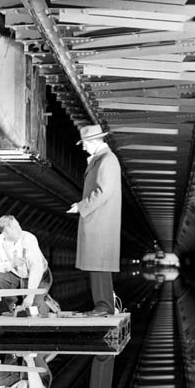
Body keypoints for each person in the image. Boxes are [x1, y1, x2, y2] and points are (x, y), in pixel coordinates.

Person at [68, 124, 121, 315]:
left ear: (93, 142)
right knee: (97, 263)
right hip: (98, 219)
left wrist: (81, 206)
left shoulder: (107, 160)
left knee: (99, 263)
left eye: (85, 144)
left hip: (100, 221)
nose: (83, 147)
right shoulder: (103, 159)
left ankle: (104, 305)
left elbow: (103, 191)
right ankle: (104, 304)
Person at [0, 214, 53, 317]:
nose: (18, 229)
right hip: (18, 276)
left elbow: (36, 269)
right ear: (5, 234)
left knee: (34, 308)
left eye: (17, 225)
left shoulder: (29, 239)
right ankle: (14, 309)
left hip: (40, 276)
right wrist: (11, 264)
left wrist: (30, 296)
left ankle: (48, 305)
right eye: (13, 228)